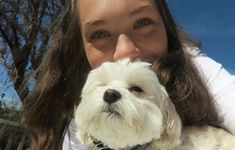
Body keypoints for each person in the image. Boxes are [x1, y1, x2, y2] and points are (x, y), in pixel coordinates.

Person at [22, 0, 235, 149]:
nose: (125, 51)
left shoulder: (198, 69)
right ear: (81, 48)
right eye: (100, 34)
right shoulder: (77, 114)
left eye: (142, 22)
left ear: (166, 26)